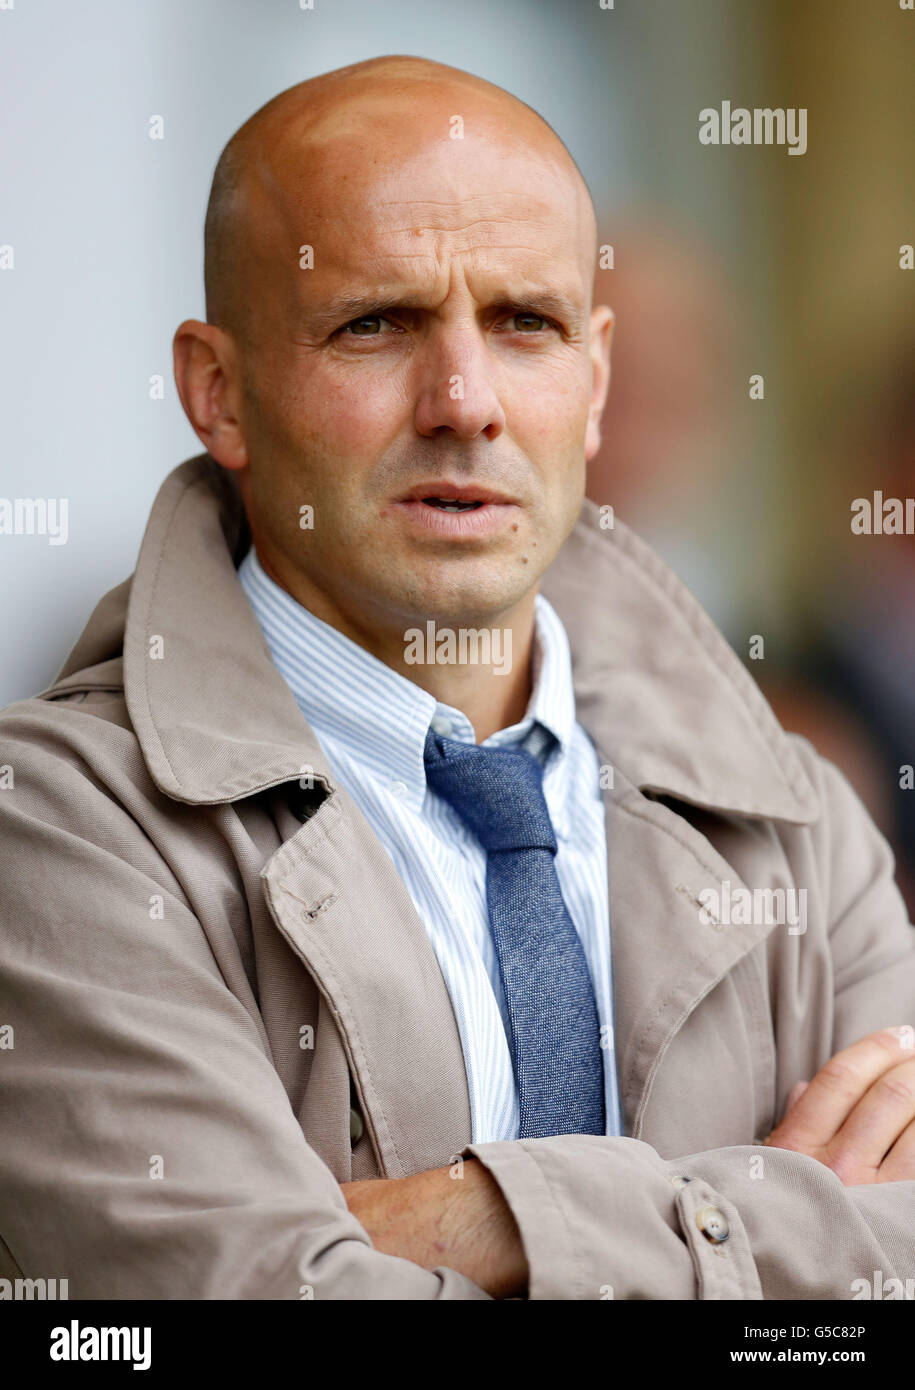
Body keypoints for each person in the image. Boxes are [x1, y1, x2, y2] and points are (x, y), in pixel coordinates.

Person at [1, 55, 913, 1302]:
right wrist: (761, 1226)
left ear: (592, 383)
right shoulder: (60, 829)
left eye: (525, 323)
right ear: (220, 393)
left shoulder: (797, 822)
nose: (465, 401)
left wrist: (483, 1216)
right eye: (375, 321)